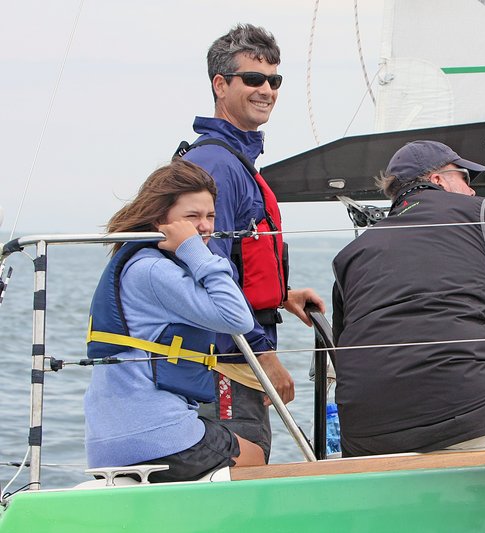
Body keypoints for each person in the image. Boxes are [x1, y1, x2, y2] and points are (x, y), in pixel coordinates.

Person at [332, 140, 485, 457]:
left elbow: (341, 358)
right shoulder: (477, 214)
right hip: (472, 414)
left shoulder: (350, 255)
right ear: (438, 179)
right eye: (464, 177)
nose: (472, 191)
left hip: (368, 438)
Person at [179, 23, 324, 461]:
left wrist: (278, 295)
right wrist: (265, 358)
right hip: (224, 360)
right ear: (220, 85)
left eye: (274, 80)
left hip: (233, 350)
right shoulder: (218, 166)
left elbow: (236, 260)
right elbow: (204, 273)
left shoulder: (233, 160)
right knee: (244, 462)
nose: (267, 90)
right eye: (254, 79)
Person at [84, 159, 266, 482]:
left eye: (210, 216)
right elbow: (238, 317)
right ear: (160, 221)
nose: (206, 226)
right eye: (192, 217)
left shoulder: (137, 262)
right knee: (257, 457)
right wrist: (195, 250)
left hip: (106, 443)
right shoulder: (155, 270)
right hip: (159, 438)